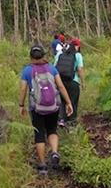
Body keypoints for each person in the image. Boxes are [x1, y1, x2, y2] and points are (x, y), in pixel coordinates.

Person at [19, 45, 74, 175]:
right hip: (53, 107)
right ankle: (54, 152)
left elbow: (23, 89)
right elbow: (60, 86)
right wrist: (68, 102)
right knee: (52, 130)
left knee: (39, 135)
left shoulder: (27, 70)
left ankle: (43, 165)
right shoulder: (51, 68)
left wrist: (21, 105)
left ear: (31, 57)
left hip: (37, 108)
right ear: (44, 55)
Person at [54, 37, 84, 127]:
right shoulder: (77, 55)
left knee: (62, 101)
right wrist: (82, 82)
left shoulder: (60, 53)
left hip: (60, 82)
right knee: (73, 102)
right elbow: (80, 69)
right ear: (78, 46)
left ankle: (61, 120)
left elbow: (54, 67)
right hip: (73, 82)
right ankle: (71, 123)